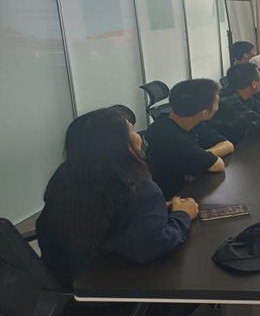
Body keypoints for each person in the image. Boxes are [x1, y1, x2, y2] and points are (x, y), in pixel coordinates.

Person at [36, 108, 197, 289]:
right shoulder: (138, 186)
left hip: (62, 281)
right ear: (119, 144)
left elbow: (100, 216)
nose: (138, 134)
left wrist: (155, 209)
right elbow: (152, 246)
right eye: (131, 130)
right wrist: (182, 215)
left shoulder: (63, 177)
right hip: (109, 289)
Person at [145, 79, 234, 199]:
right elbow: (217, 165)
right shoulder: (168, 135)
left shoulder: (192, 122)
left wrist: (201, 155)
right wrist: (202, 157)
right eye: (217, 103)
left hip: (192, 186)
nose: (218, 106)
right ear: (205, 113)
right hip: (172, 197)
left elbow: (227, 145)